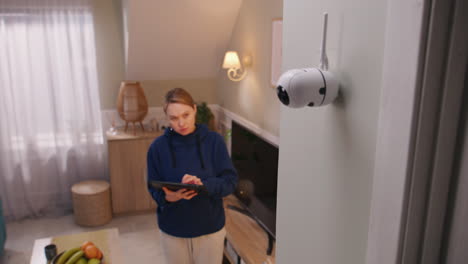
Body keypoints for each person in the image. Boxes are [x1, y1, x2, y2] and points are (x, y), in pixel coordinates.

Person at [147, 88, 238, 264]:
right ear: (167, 118)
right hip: (172, 231)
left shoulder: (214, 142)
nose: (181, 123)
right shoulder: (157, 148)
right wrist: (168, 197)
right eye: (174, 118)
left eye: (186, 115)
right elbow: (152, 186)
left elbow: (230, 182)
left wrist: (203, 185)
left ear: (195, 109)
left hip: (210, 230)